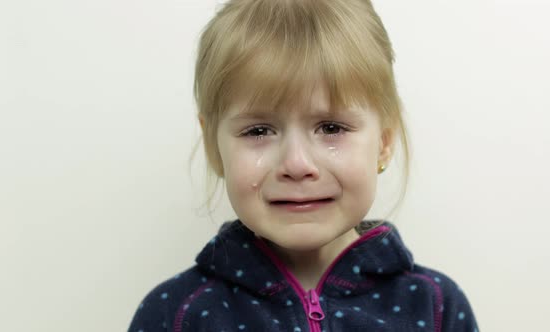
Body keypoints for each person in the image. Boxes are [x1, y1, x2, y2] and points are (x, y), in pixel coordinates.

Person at [128, 0, 479, 331]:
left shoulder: (435, 308)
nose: (297, 164)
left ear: (384, 143)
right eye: (259, 130)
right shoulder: (174, 315)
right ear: (214, 147)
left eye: (331, 128)